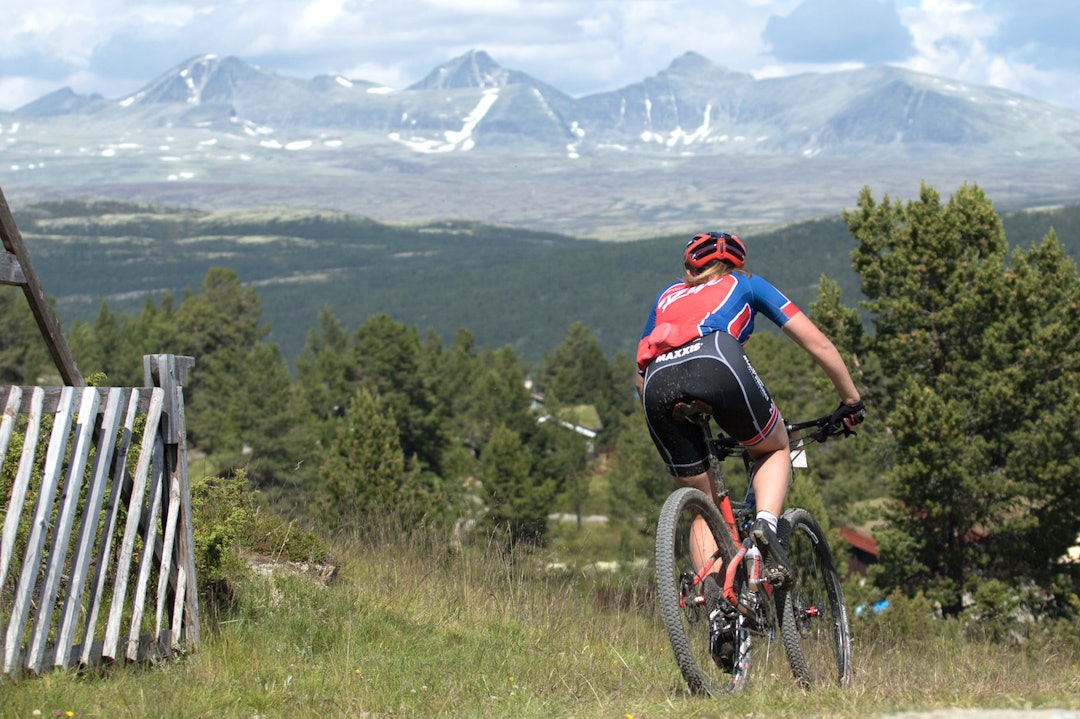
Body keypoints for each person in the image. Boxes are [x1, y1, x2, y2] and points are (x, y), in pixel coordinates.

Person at [636, 231, 864, 588]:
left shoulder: (667, 294)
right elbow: (818, 343)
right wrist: (851, 401)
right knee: (775, 447)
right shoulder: (745, 283)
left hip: (656, 382)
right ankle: (766, 529)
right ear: (735, 264)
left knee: (704, 507)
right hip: (715, 357)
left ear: (690, 266)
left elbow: (640, 373)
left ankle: (716, 606)